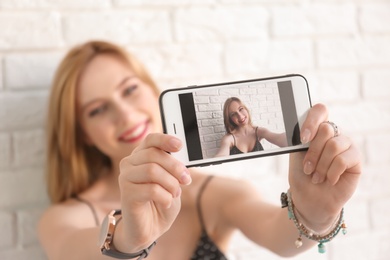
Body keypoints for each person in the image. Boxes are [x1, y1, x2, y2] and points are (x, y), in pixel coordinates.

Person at [37, 40, 362, 260]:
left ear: (152, 90)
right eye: (97, 110)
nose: (124, 114)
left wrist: (315, 215)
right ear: (84, 135)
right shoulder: (63, 219)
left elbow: (279, 235)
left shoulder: (213, 195)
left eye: (130, 90)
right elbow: (73, 250)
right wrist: (127, 241)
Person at [215, 97, 288, 157]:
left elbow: (279, 138)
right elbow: (222, 154)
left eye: (241, 109)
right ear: (230, 119)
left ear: (246, 109)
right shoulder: (229, 139)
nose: (240, 116)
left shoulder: (259, 132)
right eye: (233, 114)